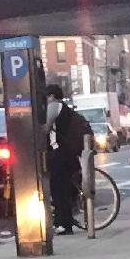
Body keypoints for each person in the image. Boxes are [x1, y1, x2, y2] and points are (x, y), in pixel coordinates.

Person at [44, 83, 90, 234]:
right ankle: (65, 221)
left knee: (58, 189)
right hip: (69, 153)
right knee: (64, 188)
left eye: (47, 97)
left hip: (60, 153)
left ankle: (64, 224)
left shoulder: (54, 106)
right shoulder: (65, 108)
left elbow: (46, 127)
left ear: (51, 96)